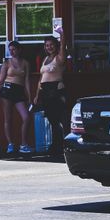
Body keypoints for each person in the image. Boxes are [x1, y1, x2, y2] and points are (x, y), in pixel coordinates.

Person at [0, 41, 33, 155]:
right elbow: (0, 81)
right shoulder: (6, 63)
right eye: (10, 49)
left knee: (26, 117)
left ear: (19, 50)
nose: (11, 52)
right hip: (7, 90)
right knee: (8, 118)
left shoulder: (25, 63)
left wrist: (29, 97)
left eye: (14, 49)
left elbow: (27, 81)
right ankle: (10, 144)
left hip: (19, 91)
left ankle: (23, 144)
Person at [33, 28, 67, 158]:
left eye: (51, 44)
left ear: (56, 45)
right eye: (47, 45)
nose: (49, 47)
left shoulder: (59, 58)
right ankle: (55, 146)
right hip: (45, 91)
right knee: (52, 120)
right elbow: (41, 78)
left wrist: (61, 34)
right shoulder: (45, 59)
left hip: (56, 90)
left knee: (60, 119)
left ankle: (62, 146)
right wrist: (37, 95)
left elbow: (63, 46)